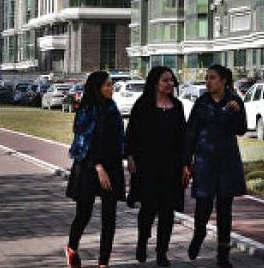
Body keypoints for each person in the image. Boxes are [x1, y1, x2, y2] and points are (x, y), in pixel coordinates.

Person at [184, 64, 246, 268]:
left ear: (223, 81)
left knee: (224, 209)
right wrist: (186, 161)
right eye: (207, 78)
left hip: (227, 162)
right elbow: (191, 131)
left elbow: (241, 129)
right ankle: (199, 232)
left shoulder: (234, 100)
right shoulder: (201, 102)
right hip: (204, 161)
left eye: (212, 78)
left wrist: (237, 113)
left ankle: (223, 255)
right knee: (203, 205)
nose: (208, 82)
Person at [126, 66, 186, 267]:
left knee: (167, 212)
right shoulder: (143, 105)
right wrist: (130, 157)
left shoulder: (177, 106)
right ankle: (142, 241)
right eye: (165, 80)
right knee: (148, 209)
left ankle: (162, 252)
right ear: (155, 83)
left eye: (171, 80)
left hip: (171, 167)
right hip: (147, 166)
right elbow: (131, 133)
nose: (170, 84)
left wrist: (185, 164)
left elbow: (182, 138)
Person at [65, 70, 125, 268]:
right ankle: (72, 247)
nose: (111, 88)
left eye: (111, 84)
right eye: (107, 85)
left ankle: (103, 263)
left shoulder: (113, 108)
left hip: (112, 166)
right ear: (97, 88)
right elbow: (81, 144)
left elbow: (119, 138)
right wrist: (98, 167)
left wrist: (129, 156)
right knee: (84, 213)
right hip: (89, 167)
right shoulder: (87, 110)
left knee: (109, 217)